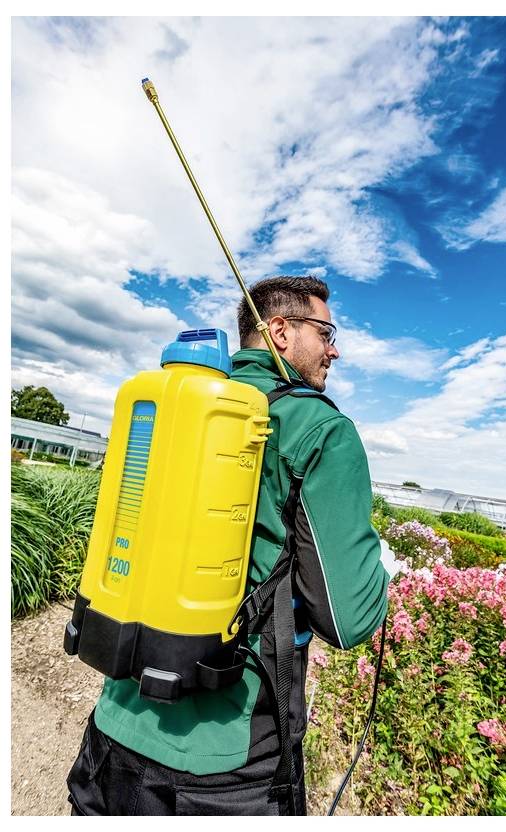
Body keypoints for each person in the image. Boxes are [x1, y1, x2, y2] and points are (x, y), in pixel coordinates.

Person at [66, 275, 391, 816]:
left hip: (114, 726)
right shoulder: (320, 427)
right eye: (326, 332)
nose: (335, 349)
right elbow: (348, 619)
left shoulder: (174, 405)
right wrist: (380, 571)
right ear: (281, 332)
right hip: (227, 766)